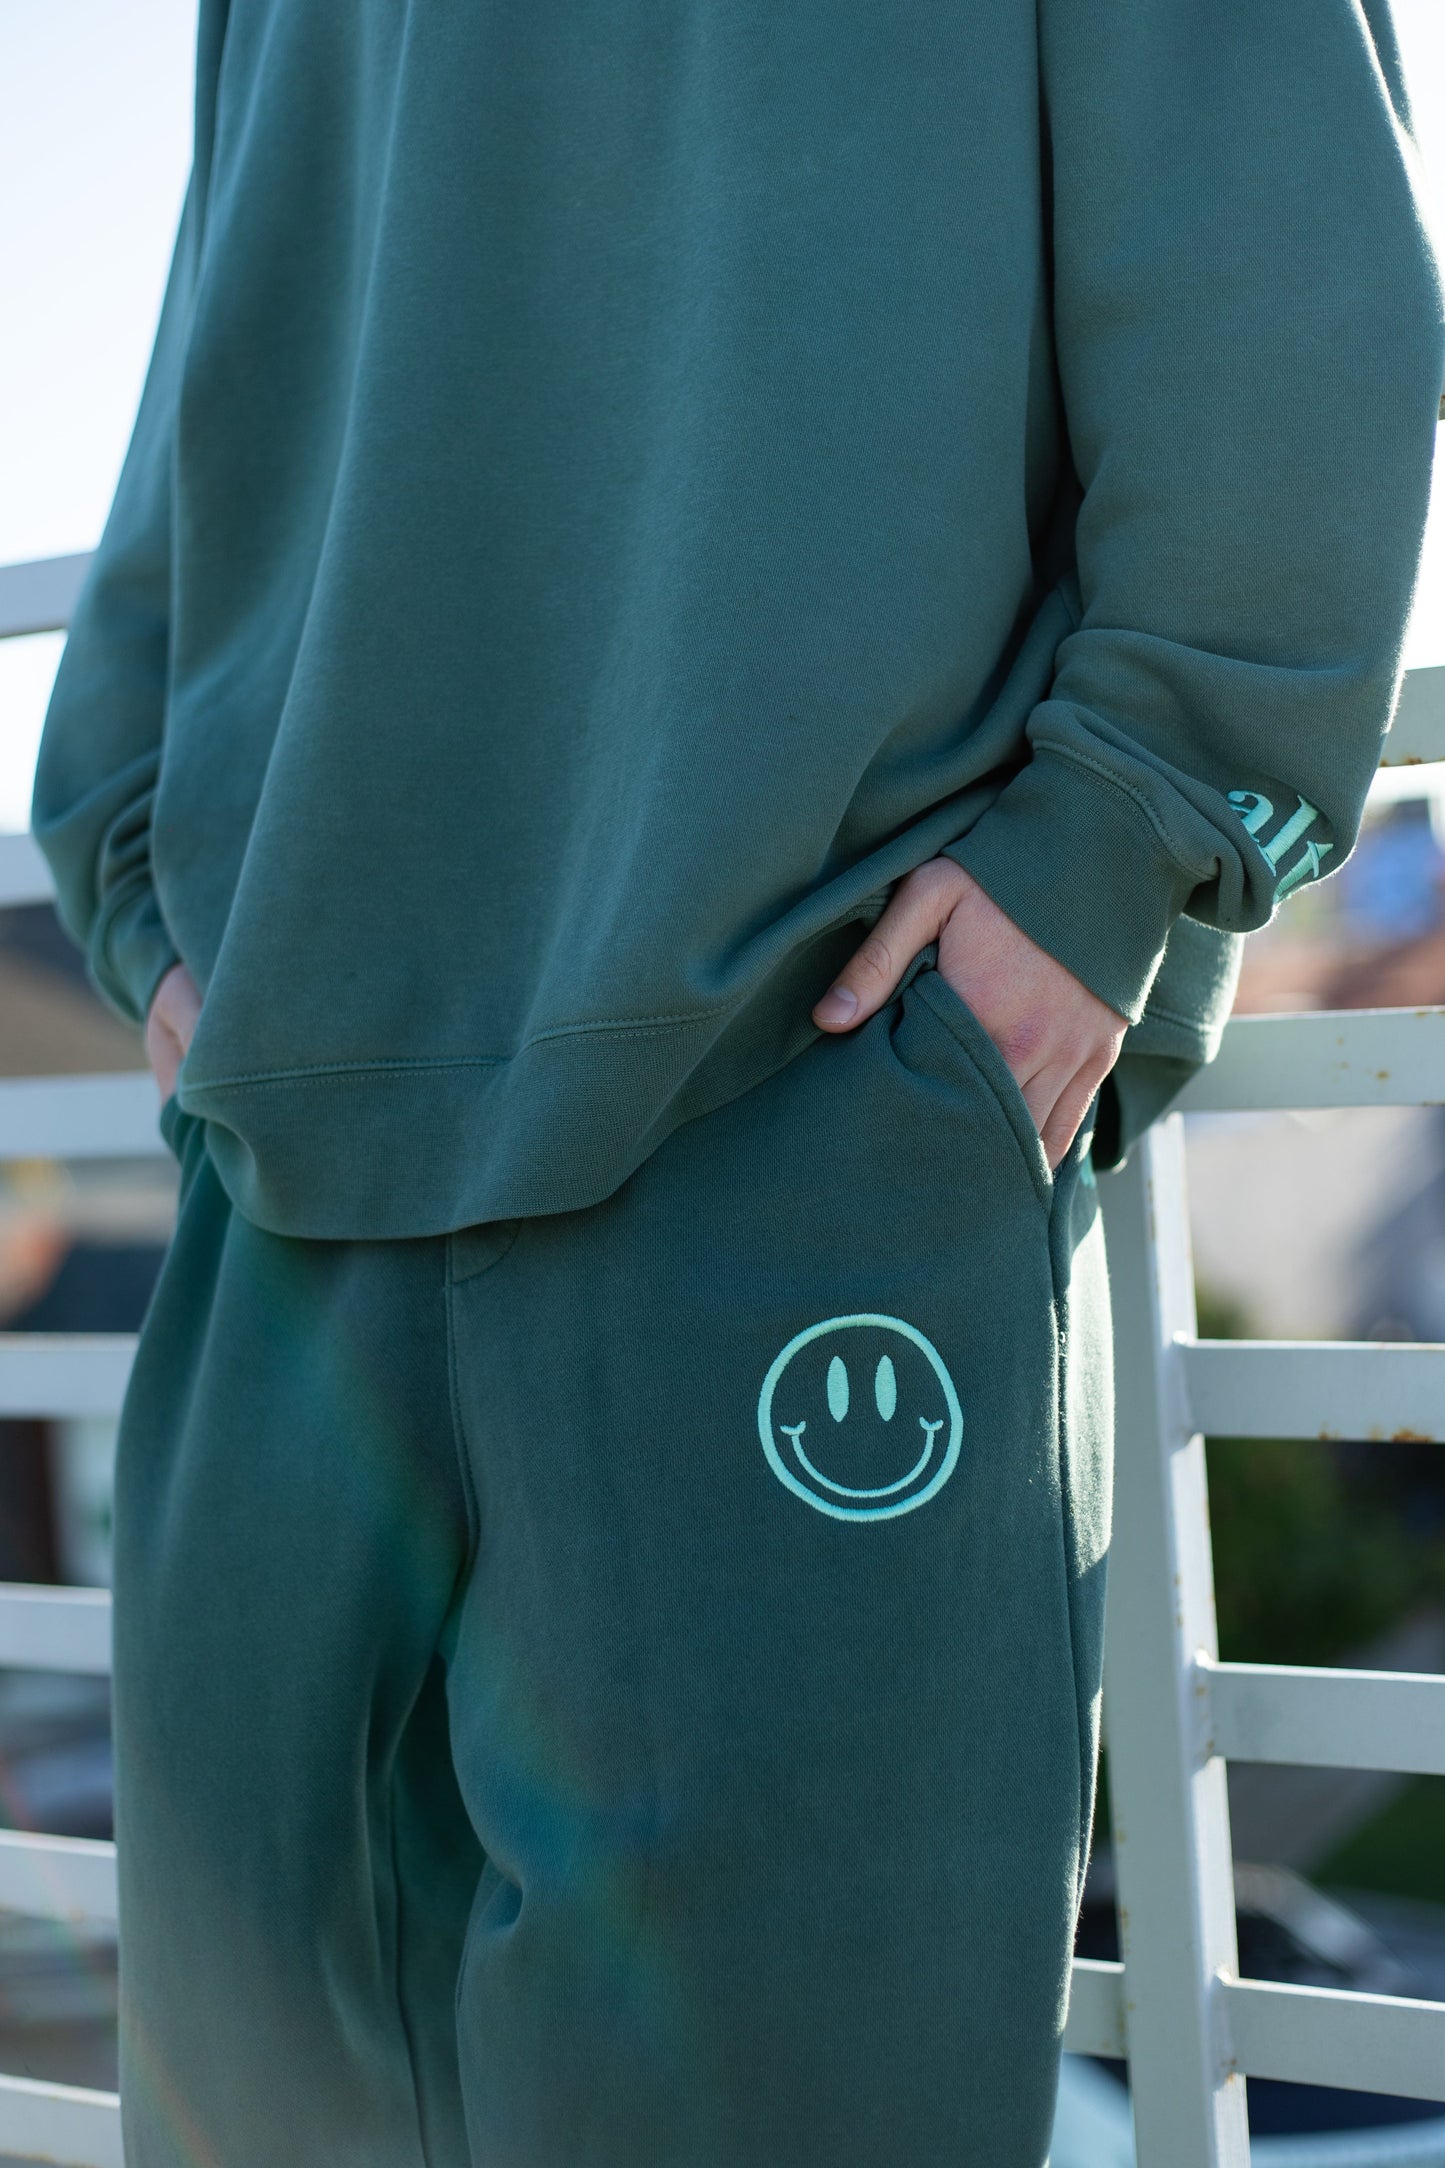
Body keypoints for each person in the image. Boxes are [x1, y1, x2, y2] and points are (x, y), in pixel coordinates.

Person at [29, 1, 1443, 2161]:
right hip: (289, 1122)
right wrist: (140, 868)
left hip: (812, 1085)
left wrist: (1118, 840)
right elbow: (237, 317)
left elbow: (1291, 250)